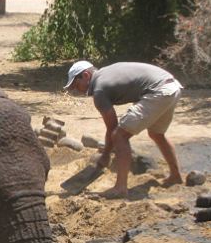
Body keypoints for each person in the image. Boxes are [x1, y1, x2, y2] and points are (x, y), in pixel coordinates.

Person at [64, 61, 183, 198]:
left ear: (85, 75)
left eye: (76, 85)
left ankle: (120, 188)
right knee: (156, 134)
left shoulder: (99, 90)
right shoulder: (105, 73)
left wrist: (105, 155)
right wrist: (106, 154)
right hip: (172, 87)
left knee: (120, 136)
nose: (77, 90)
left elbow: (112, 128)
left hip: (158, 91)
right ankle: (175, 176)